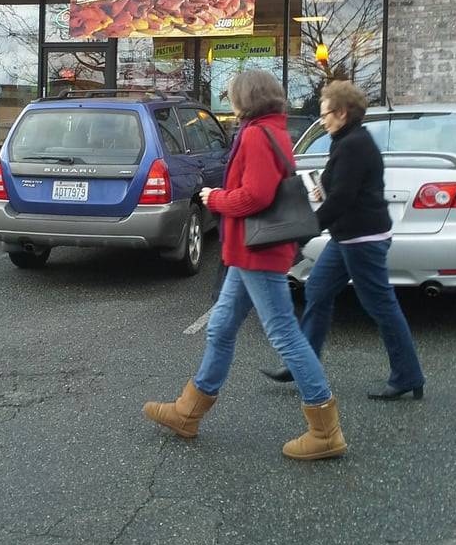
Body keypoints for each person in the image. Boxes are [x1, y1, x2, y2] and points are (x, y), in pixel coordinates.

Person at [143, 69, 347, 461]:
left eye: (233, 95)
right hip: (247, 251)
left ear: (246, 99)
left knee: (284, 334)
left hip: (257, 252)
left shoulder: (255, 135)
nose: (230, 101)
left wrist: (215, 198)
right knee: (220, 326)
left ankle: (325, 430)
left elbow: (255, 196)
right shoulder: (272, 129)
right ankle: (188, 413)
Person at [261, 80, 425, 400]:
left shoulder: (354, 145)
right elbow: (340, 188)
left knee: (381, 306)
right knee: (317, 290)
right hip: (347, 237)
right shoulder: (345, 141)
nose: (322, 120)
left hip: (364, 239)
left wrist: (304, 231)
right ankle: (302, 365)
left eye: (325, 114)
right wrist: (322, 189)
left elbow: (342, 200)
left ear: (342, 113)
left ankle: (408, 375)